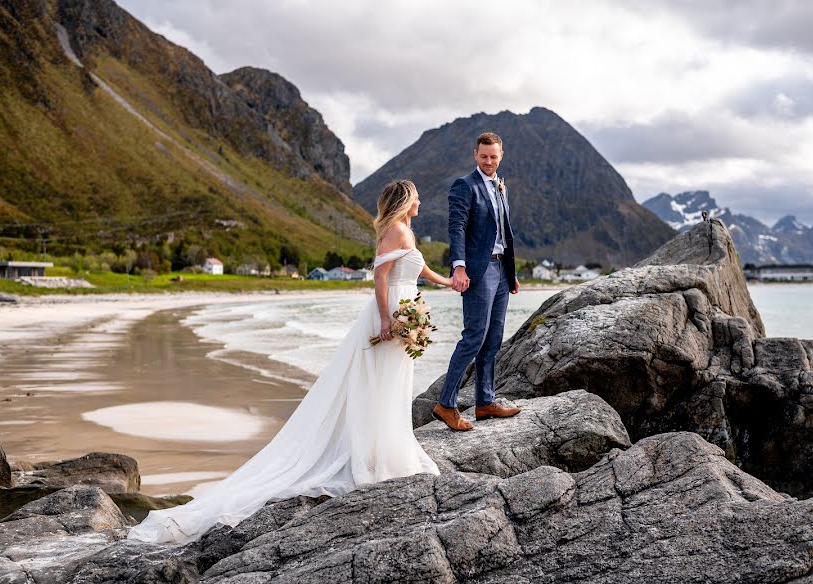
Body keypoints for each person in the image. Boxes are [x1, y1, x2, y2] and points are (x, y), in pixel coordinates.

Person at [128, 180, 452, 544]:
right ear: (405, 200)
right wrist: (385, 318)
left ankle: (384, 446)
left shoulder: (404, 230)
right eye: (418, 195)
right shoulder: (395, 230)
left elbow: (416, 272)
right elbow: (380, 278)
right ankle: (376, 454)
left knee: (391, 384)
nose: (421, 199)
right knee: (381, 384)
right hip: (391, 313)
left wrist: (449, 283)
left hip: (405, 308)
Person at [433, 132, 522, 431]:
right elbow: (456, 226)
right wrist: (459, 267)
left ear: (501, 155)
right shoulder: (464, 185)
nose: (488, 161)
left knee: (493, 339)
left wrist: (511, 273)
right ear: (475, 154)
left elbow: (504, 233)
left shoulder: (501, 186)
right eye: (483, 156)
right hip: (477, 272)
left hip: (500, 271)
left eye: (493, 156)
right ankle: (446, 404)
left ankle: (485, 402)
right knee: (474, 337)